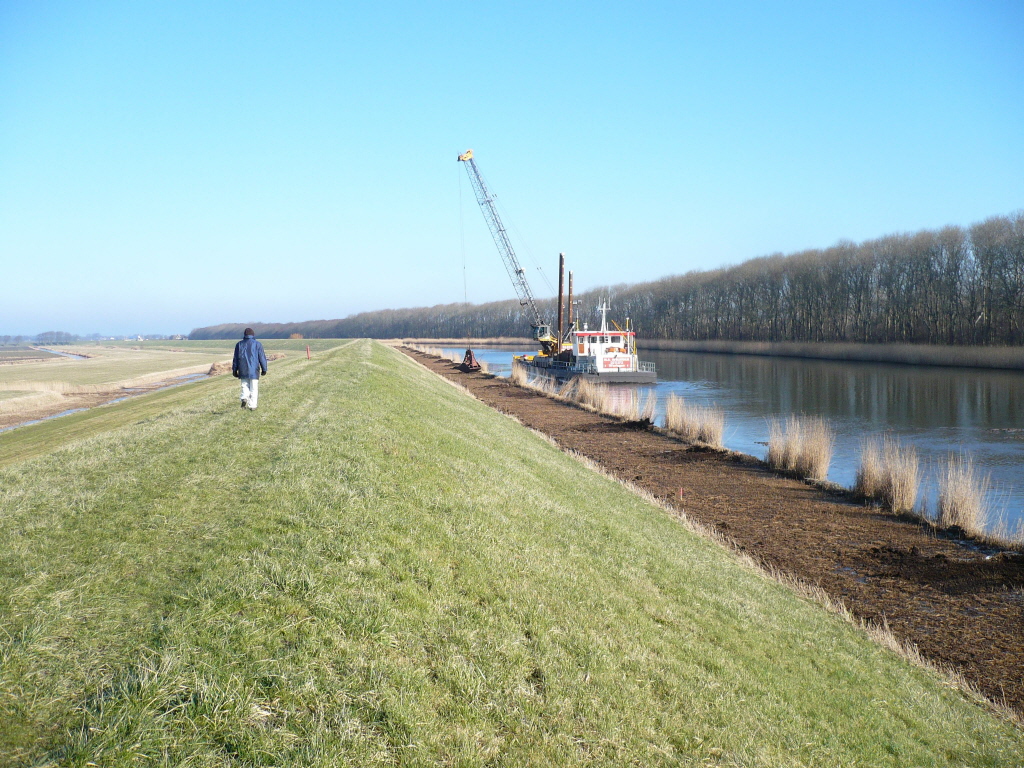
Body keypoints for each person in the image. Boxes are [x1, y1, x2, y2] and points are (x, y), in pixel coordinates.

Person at [232, 328, 268, 410]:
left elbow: (235, 358)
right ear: (253, 335)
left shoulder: (239, 344)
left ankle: (244, 397)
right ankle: (252, 406)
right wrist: (264, 369)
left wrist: (234, 369)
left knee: (244, 385)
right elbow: (262, 357)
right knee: (254, 388)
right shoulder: (257, 344)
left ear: (244, 335)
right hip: (254, 369)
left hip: (242, 368)